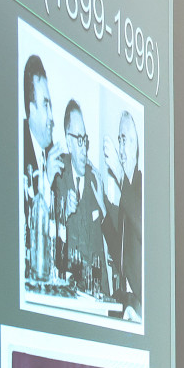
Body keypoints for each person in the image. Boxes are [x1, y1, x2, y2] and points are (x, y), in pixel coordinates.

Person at [51, 100, 106, 291]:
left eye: (86, 139)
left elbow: (99, 248)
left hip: (92, 291)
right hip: (65, 289)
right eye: (79, 140)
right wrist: (63, 212)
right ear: (68, 140)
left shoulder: (93, 181)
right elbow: (48, 235)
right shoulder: (57, 175)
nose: (84, 148)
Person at [102, 110, 142, 320]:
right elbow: (121, 256)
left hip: (142, 306)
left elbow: (144, 227)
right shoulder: (127, 193)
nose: (121, 149)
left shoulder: (142, 186)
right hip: (126, 301)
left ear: (136, 146)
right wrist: (103, 208)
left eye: (124, 139)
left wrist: (118, 174)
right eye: (119, 140)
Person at [22, 54, 63, 218]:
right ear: (31, 110)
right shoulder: (17, 149)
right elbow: (24, 218)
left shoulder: (51, 151)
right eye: (46, 105)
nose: (52, 117)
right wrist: (46, 181)